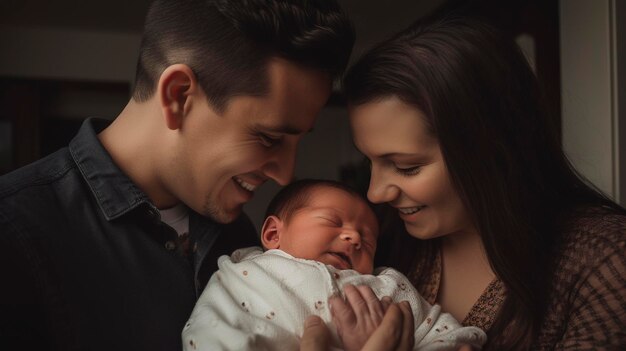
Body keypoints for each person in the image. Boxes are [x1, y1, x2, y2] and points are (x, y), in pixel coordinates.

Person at [0, 1, 355, 350]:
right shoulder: (15, 234)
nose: (285, 174)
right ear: (178, 96)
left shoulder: (241, 238)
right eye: (269, 138)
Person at [341, 15, 626, 350]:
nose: (375, 193)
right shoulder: (382, 243)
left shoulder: (604, 261)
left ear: (491, 150)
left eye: (407, 167)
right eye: (369, 160)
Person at [182, 179, 487, 350]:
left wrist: (456, 344)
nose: (354, 237)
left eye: (368, 241)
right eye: (332, 221)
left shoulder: (387, 286)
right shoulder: (244, 275)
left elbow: (435, 327)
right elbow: (210, 331)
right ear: (273, 233)